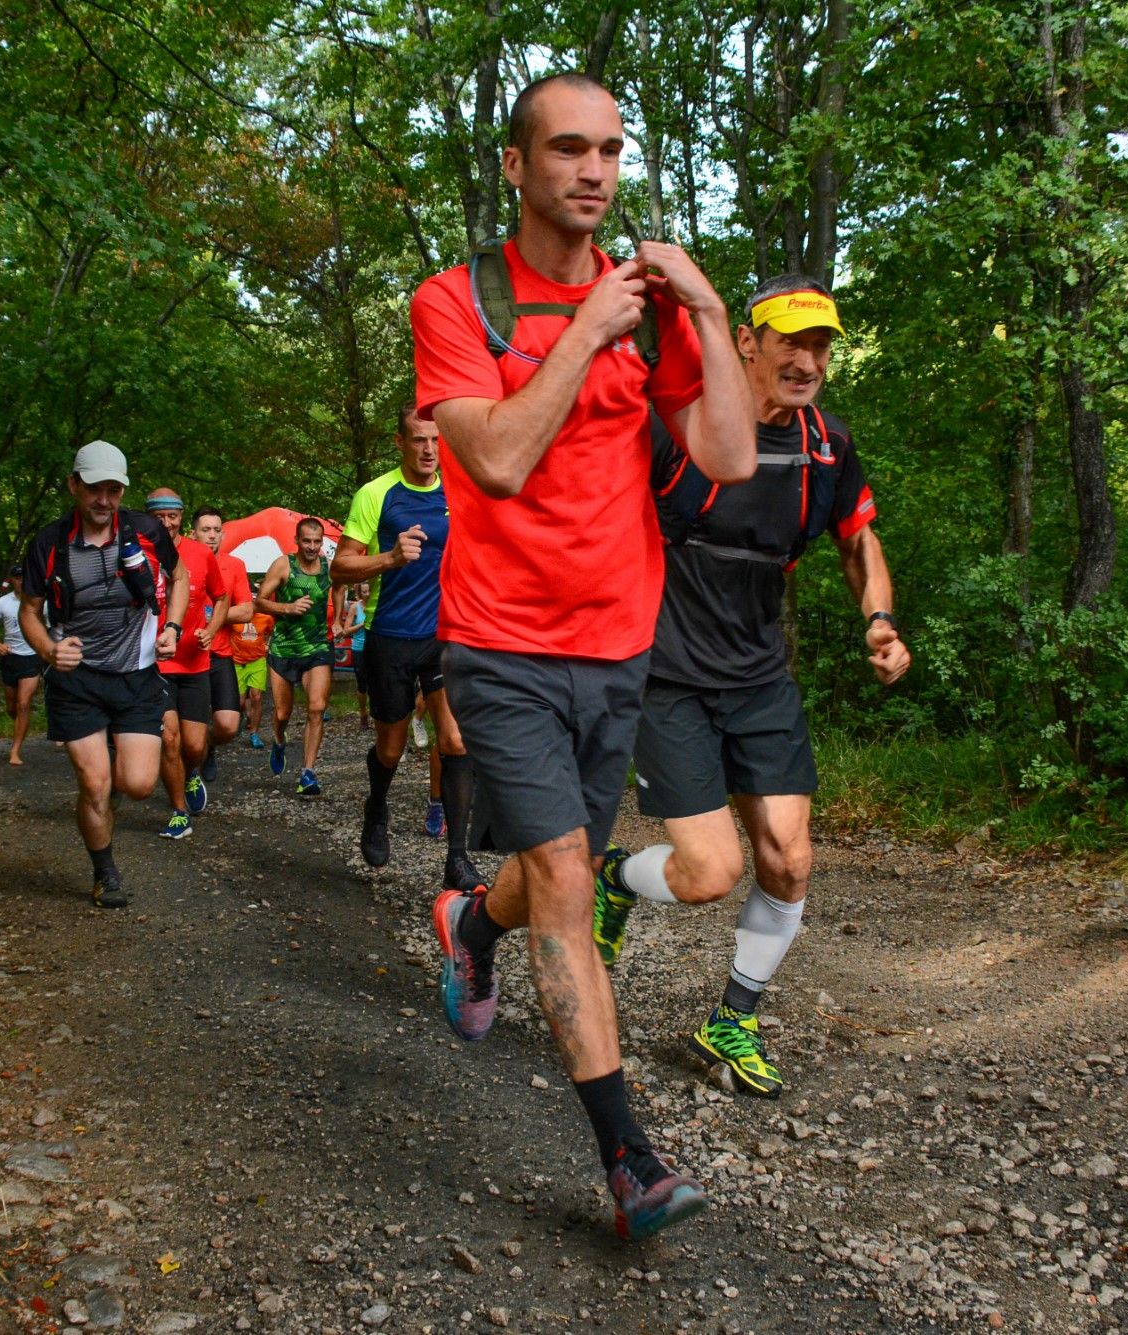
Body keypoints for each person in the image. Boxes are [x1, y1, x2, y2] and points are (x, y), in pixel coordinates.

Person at [410, 72, 754, 1239]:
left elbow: (726, 458)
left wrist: (704, 318)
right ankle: (629, 1161)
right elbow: (497, 458)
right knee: (564, 876)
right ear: (516, 166)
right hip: (498, 641)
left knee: (553, 868)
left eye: (608, 150)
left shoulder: (651, 306)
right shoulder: (456, 304)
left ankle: (468, 923)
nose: (593, 172)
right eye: (566, 150)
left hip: (617, 644)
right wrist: (586, 335)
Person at [591, 275, 908, 1100]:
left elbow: (858, 543)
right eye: (792, 342)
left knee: (790, 861)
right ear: (747, 344)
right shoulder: (678, 432)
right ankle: (613, 879)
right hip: (668, 674)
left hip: (760, 675)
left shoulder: (828, 449)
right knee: (707, 873)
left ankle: (733, 1018)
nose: (808, 360)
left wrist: (879, 619)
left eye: (822, 344)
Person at [18, 440, 188, 907]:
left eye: (114, 490)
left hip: (136, 675)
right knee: (94, 784)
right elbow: (28, 611)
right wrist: (51, 650)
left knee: (136, 785)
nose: (104, 500)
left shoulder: (148, 530)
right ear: (74, 485)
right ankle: (105, 874)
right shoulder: (50, 543)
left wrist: (171, 625)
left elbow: (180, 577)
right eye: (95, 489)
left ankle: (106, 796)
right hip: (78, 679)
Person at [331, 405, 481, 888]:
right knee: (391, 749)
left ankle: (457, 857)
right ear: (400, 442)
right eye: (419, 440)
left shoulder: (461, 487)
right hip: (390, 637)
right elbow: (340, 568)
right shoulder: (376, 494)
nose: (429, 450)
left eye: (437, 441)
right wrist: (391, 557)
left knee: (455, 740)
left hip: (446, 635)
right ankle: (377, 807)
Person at [148, 489, 230, 839]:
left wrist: (211, 630)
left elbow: (222, 597)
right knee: (170, 739)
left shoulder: (199, 553)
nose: (166, 523)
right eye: (159, 517)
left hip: (194, 663)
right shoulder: (137, 553)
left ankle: (191, 772)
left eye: (172, 516)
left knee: (194, 746)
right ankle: (179, 810)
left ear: (182, 517)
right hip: (153, 665)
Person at [256, 517, 335, 796]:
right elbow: (260, 600)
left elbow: (344, 584)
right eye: (307, 541)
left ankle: (308, 773)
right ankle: (279, 740)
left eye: (317, 541)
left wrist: (336, 619)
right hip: (283, 648)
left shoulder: (328, 566)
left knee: (316, 707)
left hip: (317, 648)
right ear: (297, 541)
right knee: (282, 713)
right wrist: (288, 607)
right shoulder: (283, 565)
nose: (312, 547)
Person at [192, 507, 254, 794]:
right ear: (193, 533)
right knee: (181, 728)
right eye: (206, 529)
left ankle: (209, 745)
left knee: (228, 726)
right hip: (187, 656)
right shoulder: (182, 562)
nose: (212, 535)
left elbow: (246, 611)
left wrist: (209, 616)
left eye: (217, 530)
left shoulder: (235, 565)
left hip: (220, 654)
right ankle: (187, 778)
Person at [0, 564, 44, 766]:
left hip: (32, 656)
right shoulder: (2, 603)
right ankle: (21, 723)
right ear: (12, 580)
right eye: (18, 578)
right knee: (12, 707)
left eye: (25, 577)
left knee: (23, 703)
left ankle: (15, 751)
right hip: (10, 657)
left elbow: (55, 625)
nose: (22, 581)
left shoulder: (41, 601)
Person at [234, 605, 274, 748]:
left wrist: (267, 644)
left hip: (258, 660)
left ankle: (254, 734)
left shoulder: (265, 617)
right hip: (237, 662)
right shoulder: (235, 615)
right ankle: (239, 719)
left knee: (256, 697)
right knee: (240, 701)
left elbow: (272, 631)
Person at [340, 583, 372, 729]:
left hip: (375, 648)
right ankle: (363, 713)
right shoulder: (355, 607)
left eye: (368, 591)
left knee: (377, 683)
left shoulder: (377, 605)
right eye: (364, 591)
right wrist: (362, 625)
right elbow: (346, 630)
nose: (366, 594)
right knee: (362, 684)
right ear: (359, 593)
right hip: (359, 648)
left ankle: (377, 714)